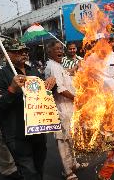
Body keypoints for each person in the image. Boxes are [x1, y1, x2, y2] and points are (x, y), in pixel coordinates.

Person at [0, 39, 56, 180]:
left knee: (39, 167)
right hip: (17, 134)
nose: (23, 54)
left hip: (38, 130)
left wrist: (52, 83)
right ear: (6, 55)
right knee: (28, 171)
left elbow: (46, 92)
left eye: (25, 51)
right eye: (18, 51)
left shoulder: (33, 71)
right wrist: (11, 89)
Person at [45, 40, 87, 180]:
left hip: (69, 108)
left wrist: (75, 69)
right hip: (62, 109)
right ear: (49, 52)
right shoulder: (52, 66)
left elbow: (67, 76)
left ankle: (74, 164)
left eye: (61, 49)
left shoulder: (58, 65)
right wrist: (76, 98)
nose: (60, 51)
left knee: (71, 138)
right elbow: (60, 89)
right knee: (63, 140)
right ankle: (68, 172)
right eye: (56, 49)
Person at [0, 45, 20, 179]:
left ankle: (16, 168)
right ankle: (10, 172)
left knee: (11, 145)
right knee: (1, 149)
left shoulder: (4, 70)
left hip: (7, 115)